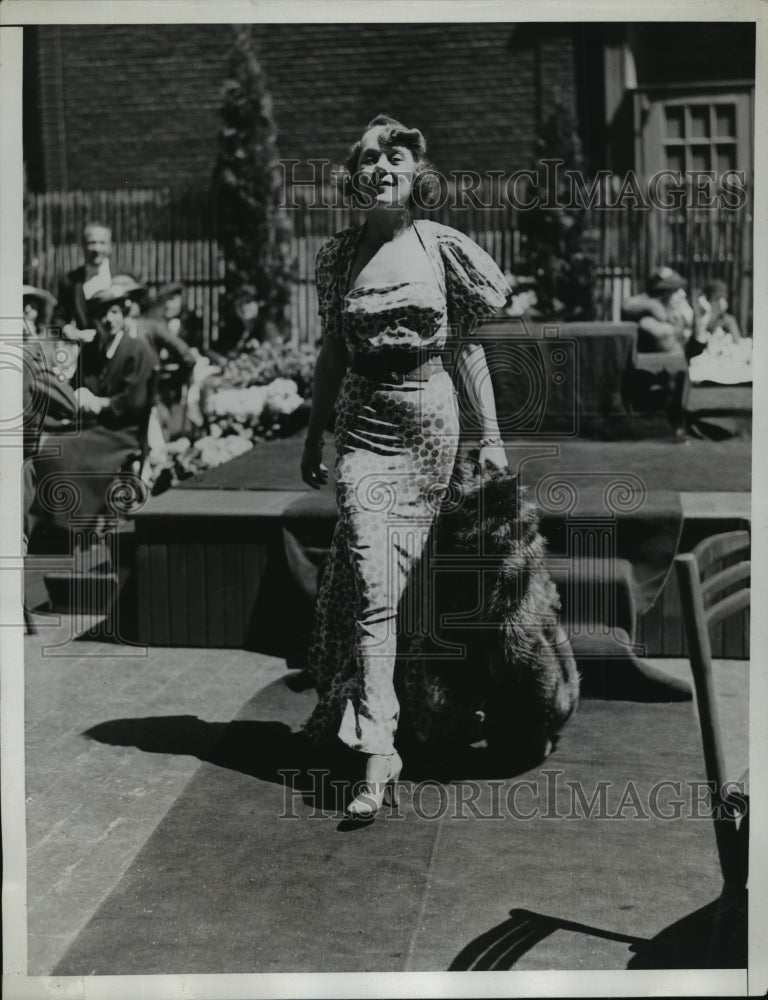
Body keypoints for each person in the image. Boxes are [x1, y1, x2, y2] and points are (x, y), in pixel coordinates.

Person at [299, 115, 510, 821]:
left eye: (396, 157)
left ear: (416, 175)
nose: (382, 166)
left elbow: (469, 349)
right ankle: (376, 752)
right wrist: (312, 438)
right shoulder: (337, 258)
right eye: (368, 158)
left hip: (430, 423)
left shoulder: (439, 247)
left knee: (412, 583)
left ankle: (428, 715)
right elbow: (331, 354)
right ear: (354, 179)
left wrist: (493, 438)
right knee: (372, 579)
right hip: (363, 422)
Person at [29, 282, 155, 543]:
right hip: (91, 427)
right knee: (46, 444)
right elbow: (75, 387)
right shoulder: (92, 349)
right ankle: (54, 520)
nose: (109, 320)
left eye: (115, 313)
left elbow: (134, 401)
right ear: (94, 319)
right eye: (102, 314)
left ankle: (70, 527)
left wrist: (99, 403)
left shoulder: (137, 349)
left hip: (121, 432)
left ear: (123, 314)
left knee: (63, 452)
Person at [51, 221, 114, 343]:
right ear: (83, 246)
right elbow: (57, 320)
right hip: (87, 351)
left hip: (120, 350)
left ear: (110, 246)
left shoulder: (124, 276)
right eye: (92, 243)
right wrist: (72, 333)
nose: (97, 248)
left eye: (102, 243)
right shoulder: (70, 281)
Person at [621, 266, 694, 355]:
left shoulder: (676, 312)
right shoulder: (649, 319)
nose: (683, 294)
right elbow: (675, 354)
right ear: (660, 296)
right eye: (675, 290)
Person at [688, 279, 743, 361]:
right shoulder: (701, 317)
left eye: (724, 299)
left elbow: (738, 342)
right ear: (707, 300)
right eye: (717, 299)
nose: (722, 303)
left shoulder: (727, 319)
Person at [153, 281, 205, 353]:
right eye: (165, 300)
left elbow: (195, 347)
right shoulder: (157, 321)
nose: (168, 305)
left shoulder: (191, 320)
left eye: (172, 300)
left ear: (182, 300)